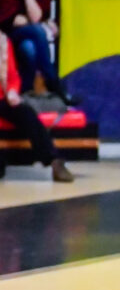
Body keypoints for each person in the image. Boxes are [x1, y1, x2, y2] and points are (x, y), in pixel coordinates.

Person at [0, 0, 75, 104]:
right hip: (5, 35)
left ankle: (24, 91)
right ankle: (53, 82)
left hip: (29, 36)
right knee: (37, 31)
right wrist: (12, 19)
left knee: (29, 48)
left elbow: (35, 18)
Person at [0, 30, 73, 182]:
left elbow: (13, 77)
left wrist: (13, 91)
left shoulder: (3, 42)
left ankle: (53, 161)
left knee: (26, 112)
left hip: (3, 98)